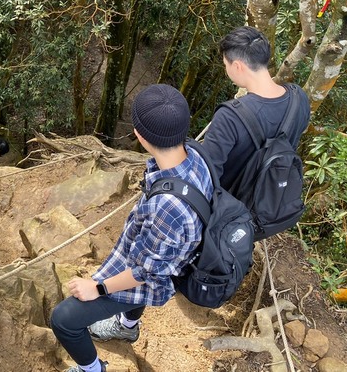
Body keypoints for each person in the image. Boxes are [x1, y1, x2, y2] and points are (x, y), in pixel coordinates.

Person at [50, 84, 213, 372]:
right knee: (138, 267)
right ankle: (127, 326)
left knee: (63, 320)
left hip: (153, 276)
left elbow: (145, 273)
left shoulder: (168, 208)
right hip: (165, 257)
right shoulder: (196, 157)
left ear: (139, 135)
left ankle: (92, 369)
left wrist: (97, 288)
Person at [202, 26, 311, 191]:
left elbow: (207, 175)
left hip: (233, 211)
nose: (226, 70)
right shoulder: (299, 98)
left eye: (226, 64)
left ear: (237, 66)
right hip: (274, 201)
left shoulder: (229, 116)